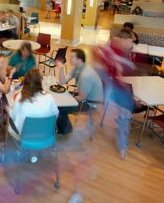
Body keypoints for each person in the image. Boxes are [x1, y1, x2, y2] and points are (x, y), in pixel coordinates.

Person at [93, 29, 138, 159]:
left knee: (124, 119)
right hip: (115, 88)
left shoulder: (128, 54)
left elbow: (131, 73)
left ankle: (122, 146)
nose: (129, 45)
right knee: (119, 115)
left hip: (125, 90)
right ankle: (122, 145)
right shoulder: (110, 49)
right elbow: (98, 50)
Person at [55, 49, 103, 135]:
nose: (69, 59)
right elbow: (62, 82)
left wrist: (68, 100)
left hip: (90, 103)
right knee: (59, 97)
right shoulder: (77, 68)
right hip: (83, 96)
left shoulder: (86, 75)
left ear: (79, 60)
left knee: (60, 106)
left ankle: (66, 129)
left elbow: (81, 97)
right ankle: (62, 124)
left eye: (72, 57)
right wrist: (61, 67)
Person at [7, 69, 58, 140]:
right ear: (40, 82)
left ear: (25, 82)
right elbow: (56, 114)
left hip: (25, 136)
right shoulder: (49, 97)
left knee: (11, 120)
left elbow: (13, 116)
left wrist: (7, 109)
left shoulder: (21, 96)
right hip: (45, 135)